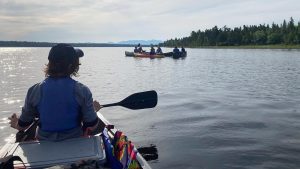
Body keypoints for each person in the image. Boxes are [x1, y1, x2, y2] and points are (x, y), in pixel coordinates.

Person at [9, 43, 102, 141]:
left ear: (50, 64)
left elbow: (23, 126)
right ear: (72, 66)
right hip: (74, 143)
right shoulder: (82, 91)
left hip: (44, 145)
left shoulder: (34, 90)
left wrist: (15, 123)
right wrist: (94, 111)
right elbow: (91, 125)